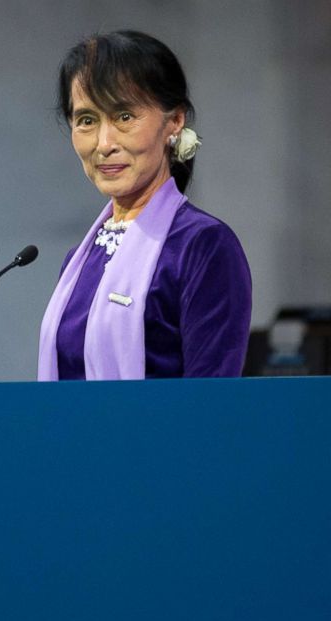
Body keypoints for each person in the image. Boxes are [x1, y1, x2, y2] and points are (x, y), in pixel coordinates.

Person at [37, 30, 251, 380]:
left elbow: (212, 406)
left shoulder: (203, 246)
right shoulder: (79, 260)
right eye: (87, 120)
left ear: (175, 121)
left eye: (124, 117)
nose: (104, 144)